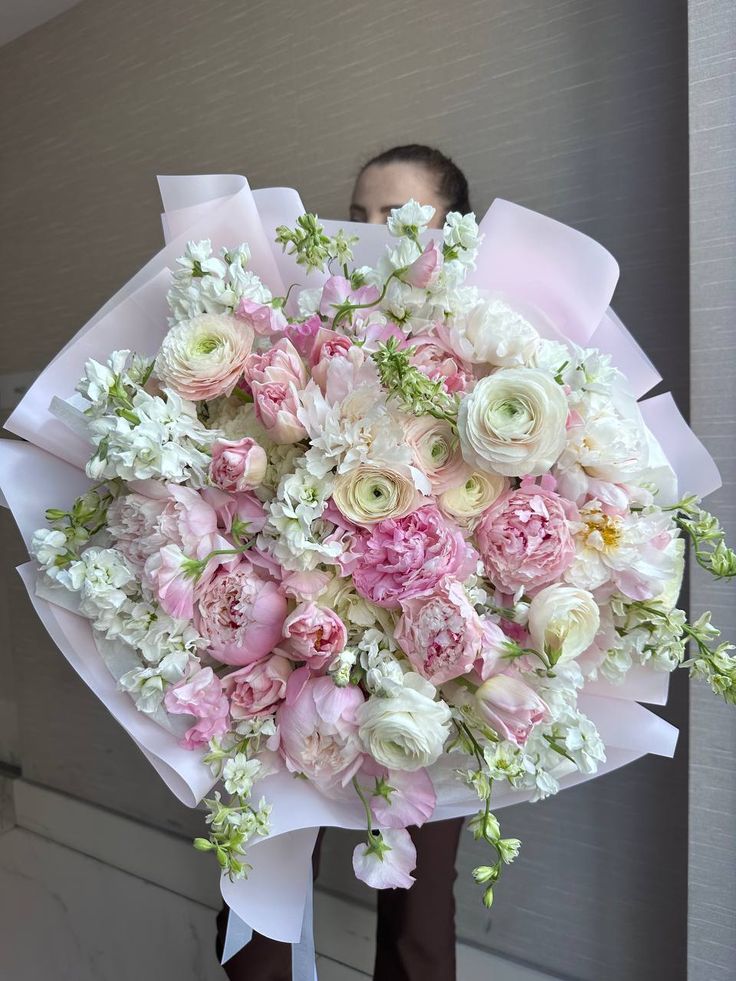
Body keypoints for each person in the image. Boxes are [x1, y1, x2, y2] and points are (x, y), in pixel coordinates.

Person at [215, 144, 470, 981]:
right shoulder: (306, 335)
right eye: (354, 216)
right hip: (298, 638)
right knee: (262, 876)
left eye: (396, 219)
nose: (367, 237)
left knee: (421, 912)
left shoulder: (480, 355)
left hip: (427, 663)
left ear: (449, 230)